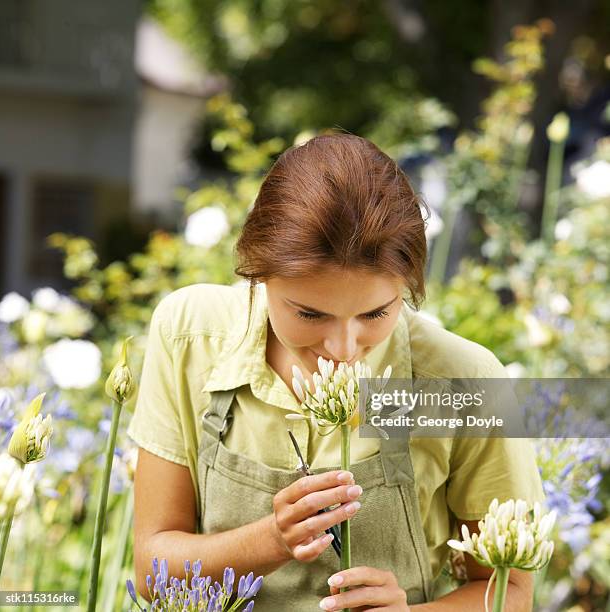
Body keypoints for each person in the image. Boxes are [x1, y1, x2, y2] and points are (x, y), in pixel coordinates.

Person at [127, 133, 545, 610]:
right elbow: (151, 570)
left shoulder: (463, 380)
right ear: (257, 271)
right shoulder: (190, 335)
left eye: (375, 314)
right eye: (309, 314)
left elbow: (511, 591)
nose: (343, 350)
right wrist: (271, 540)